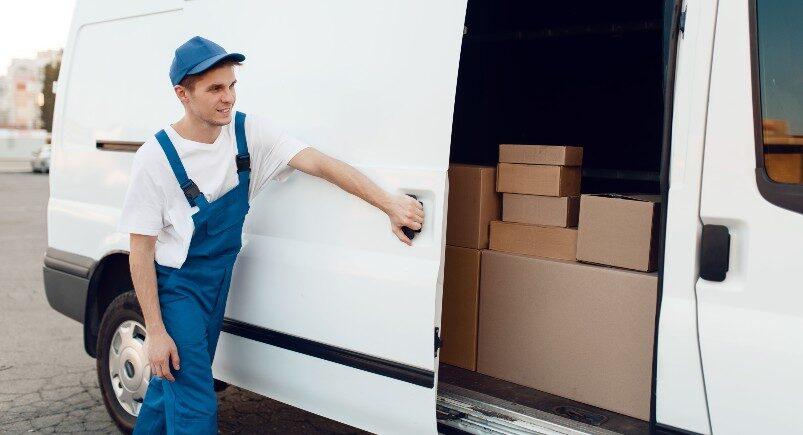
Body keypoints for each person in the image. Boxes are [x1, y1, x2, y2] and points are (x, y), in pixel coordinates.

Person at [116, 36, 424, 434]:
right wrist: (156, 332)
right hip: (179, 288)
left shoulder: (247, 133)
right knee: (194, 404)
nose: (228, 98)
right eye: (215, 89)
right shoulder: (155, 158)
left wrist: (387, 203)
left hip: (219, 280)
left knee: (168, 383)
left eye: (232, 86)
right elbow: (140, 252)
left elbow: (319, 163)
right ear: (183, 94)